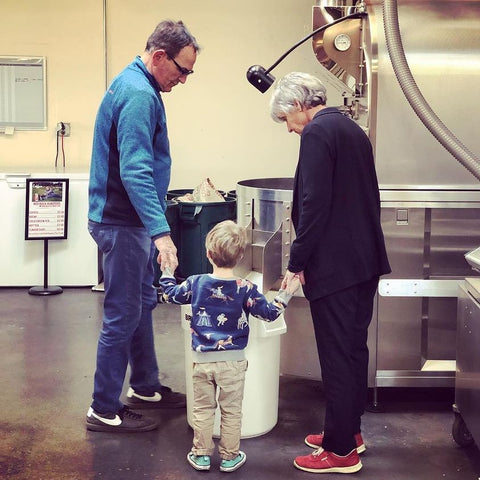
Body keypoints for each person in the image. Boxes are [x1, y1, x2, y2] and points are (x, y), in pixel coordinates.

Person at [269, 72, 391, 474]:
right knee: (353, 351)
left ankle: (340, 454)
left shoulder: (318, 133)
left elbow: (314, 203)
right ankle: (348, 432)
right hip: (363, 262)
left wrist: (296, 262)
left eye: (285, 119)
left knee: (338, 357)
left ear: (299, 105)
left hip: (336, 267)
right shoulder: (350, 128)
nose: (287, 128)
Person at [86, 20, 200, 433]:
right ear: (158, 57)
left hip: (125, 219)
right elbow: (135, 170)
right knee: (122, 314)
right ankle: (102, 408)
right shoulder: (138, 94)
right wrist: (161, 231)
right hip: (122, 222)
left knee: (141, 304)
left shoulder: (136, 83)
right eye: (182, 70)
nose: (184, 79)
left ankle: (146, 387)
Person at [158, 220, 301, 472]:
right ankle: (229, 457)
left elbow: (170, 294)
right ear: (241, 256)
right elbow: (269, 313)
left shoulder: (196, 282)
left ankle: (200, 455)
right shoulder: (245, 289)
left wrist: (167, 272)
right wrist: (286, 293)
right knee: (232, 411)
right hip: (233, 364)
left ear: (208, 253)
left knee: (202, 410)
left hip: (201, 362)